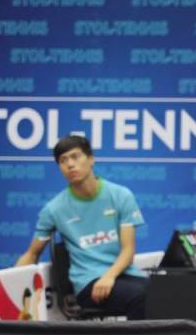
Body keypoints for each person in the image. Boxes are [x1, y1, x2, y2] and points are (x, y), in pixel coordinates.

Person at [15, 135, 148, 320]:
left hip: (121, 275)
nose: (70, 164)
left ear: (91, 159)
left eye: (75, 157)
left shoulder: (121, 195)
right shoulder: (54, 209)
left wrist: (109, 276)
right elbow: (32, 253)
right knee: (141, 297)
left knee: (165, 293)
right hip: (88, 284)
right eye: (63, 161)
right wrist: (9, 284)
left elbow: (128, 251)